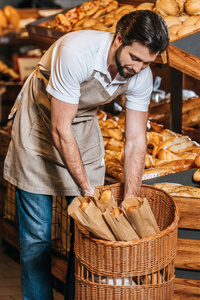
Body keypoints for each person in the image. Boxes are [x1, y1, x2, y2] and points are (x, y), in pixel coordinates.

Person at [3, 9, 169, 300]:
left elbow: (135, 141)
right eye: (135, 59)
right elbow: (59, 129)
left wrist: (131, 197)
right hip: (40, 125)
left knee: (86, 236)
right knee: (37, 239)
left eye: (148, 62)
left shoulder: (140, 74)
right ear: (119, 39)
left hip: (82, 126)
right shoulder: (76, 52)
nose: (140, 69)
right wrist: (85, 188)